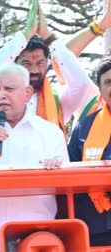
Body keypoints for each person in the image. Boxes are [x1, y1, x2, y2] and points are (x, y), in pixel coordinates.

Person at [0, 63, 68, 249]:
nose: (1, 95)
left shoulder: (50, 132)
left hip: (36, 240)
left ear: (27, 92)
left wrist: (55, 170)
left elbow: (66, 188)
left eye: (9, 89)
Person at [0, 0, 90, 133]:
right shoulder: (0, 99)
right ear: (14, 63)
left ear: (46, 63)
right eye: (26, 64)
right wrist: (25, 36)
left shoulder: (56, 101)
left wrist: (49, 38)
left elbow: (82, 83)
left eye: (40, 63)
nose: (34, 70)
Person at [68, 56, 111, 246]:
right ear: (100, 89)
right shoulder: (83, 127)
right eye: (108, 82)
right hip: (96, 225)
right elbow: (69, 172)